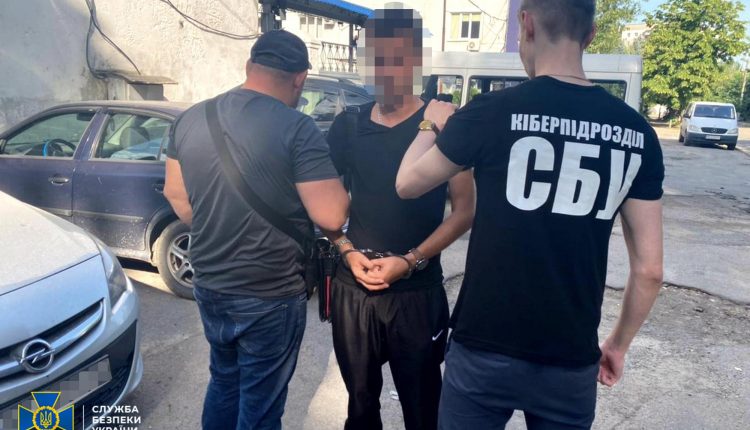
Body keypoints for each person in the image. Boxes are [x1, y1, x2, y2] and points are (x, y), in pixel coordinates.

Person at [396, 0, 665, 429]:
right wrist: (617, 345)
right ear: (591, 35)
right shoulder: (637, 134)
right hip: (570, 359)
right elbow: (649, 271)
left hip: (483, 348)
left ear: (526, 23)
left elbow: (407, 184)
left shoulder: (489, 112)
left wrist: (430, 123)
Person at [164, 30, 349, 430]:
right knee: (260, 406)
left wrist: (221, 226)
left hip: (210, 283)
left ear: (249, 66)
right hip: (270, 291)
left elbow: (175, 194)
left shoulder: (191, 117)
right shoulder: (298, 128)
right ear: (300, 78)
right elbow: (332, 216)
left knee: (224, 381)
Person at [325, 7, 476, 430]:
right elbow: (325, 205)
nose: (382, 71)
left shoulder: (444, 125)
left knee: (424, 410)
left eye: (393, 59)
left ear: (414, 61)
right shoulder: (347, 126)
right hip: (354, 287)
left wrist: (410, 261)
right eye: (374, 59)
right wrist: (346, 251)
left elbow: (465, 211)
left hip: (416, 293)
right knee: (360, 409)